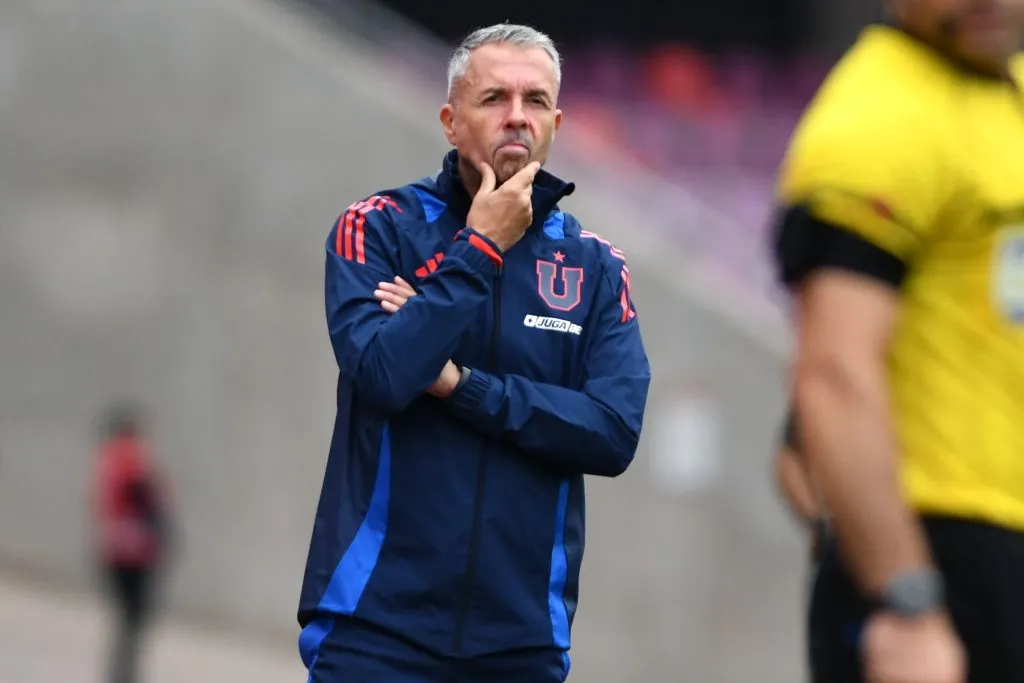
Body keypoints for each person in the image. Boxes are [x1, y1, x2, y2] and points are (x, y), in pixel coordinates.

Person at [297, 23, 651, 683]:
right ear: (451, 122)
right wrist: (481, 247)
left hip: (520, 644)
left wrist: (461, 384)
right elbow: (385, 373)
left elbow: (612, 431)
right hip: (375, 631)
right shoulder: (377, 227)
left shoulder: (595, 266)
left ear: (556, 123)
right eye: (493, 98)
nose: (517, 116)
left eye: (535, 100)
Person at [772, 1, 1024, 682]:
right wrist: (906, 600)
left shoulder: (1002, 94)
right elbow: (833, 375)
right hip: (939, 563)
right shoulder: (877, 120)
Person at [91, 401, 173, 683]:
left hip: (117, 548)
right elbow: (146, 495)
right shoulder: (129, 457)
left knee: (126, 618)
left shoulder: (108, 459)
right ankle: (124, 675)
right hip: (134, 551)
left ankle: (121, 673)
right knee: (133, 618)